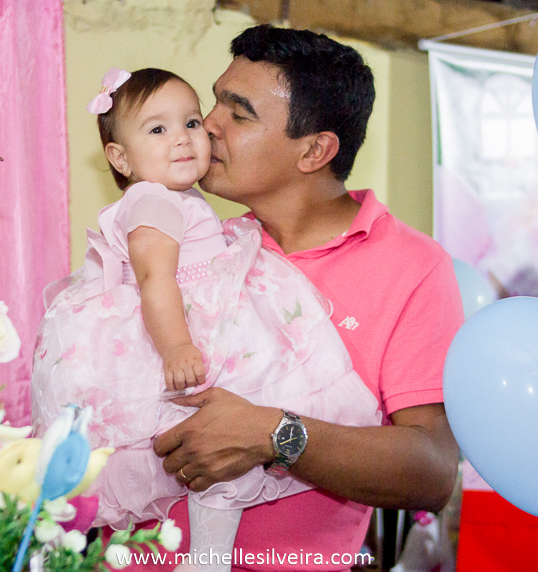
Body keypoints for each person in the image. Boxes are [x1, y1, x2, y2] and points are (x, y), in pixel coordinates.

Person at [30, 67, 381, 572]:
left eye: (191, 123)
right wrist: (176, 347)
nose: (183, 138)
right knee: (211, 437)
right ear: (120, 158)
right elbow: (155, 280)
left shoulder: (175, 198)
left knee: (221, 442)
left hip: (200, 323)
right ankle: (207, 557)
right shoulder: (151, 201)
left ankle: (206, 556)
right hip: (182, 331)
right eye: (158, 129)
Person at [142, 25, 465, 571]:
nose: (208, 124)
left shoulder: (411, 266)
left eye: (238, 113)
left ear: (315, 150)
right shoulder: (206, 245)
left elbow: (431, 470)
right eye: (215, 101)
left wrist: (275, 434)